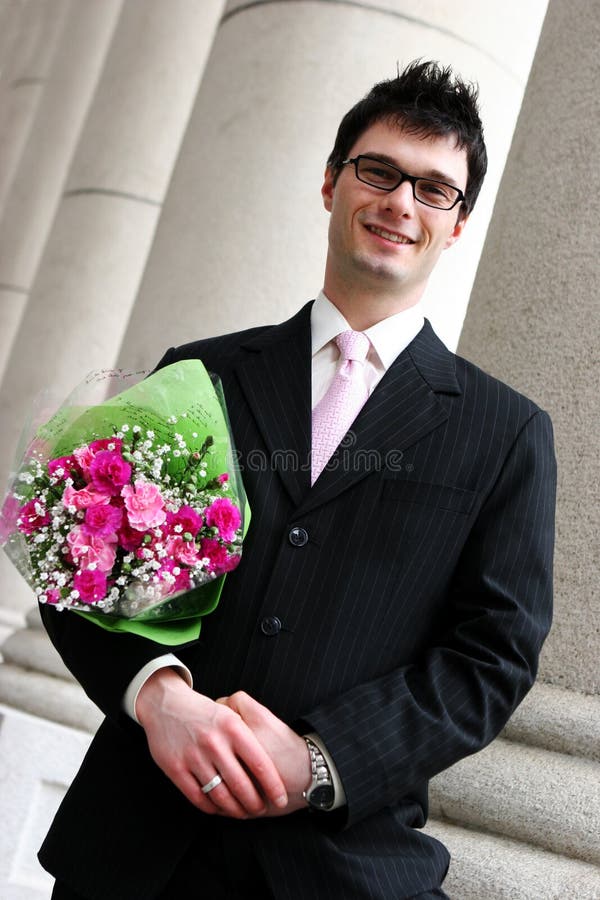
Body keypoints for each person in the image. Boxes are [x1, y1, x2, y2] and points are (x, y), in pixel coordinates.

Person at [39, 60, 556, 900]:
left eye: (434, 191)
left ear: (457, 225)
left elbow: (490, 660)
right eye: (379, 171)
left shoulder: (506, 435)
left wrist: (319, 761)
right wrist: (157, 697)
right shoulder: (196, 376)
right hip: (130, 858)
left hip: (337, 871)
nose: (400, 203)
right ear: (330, 183)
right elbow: (78, 568)